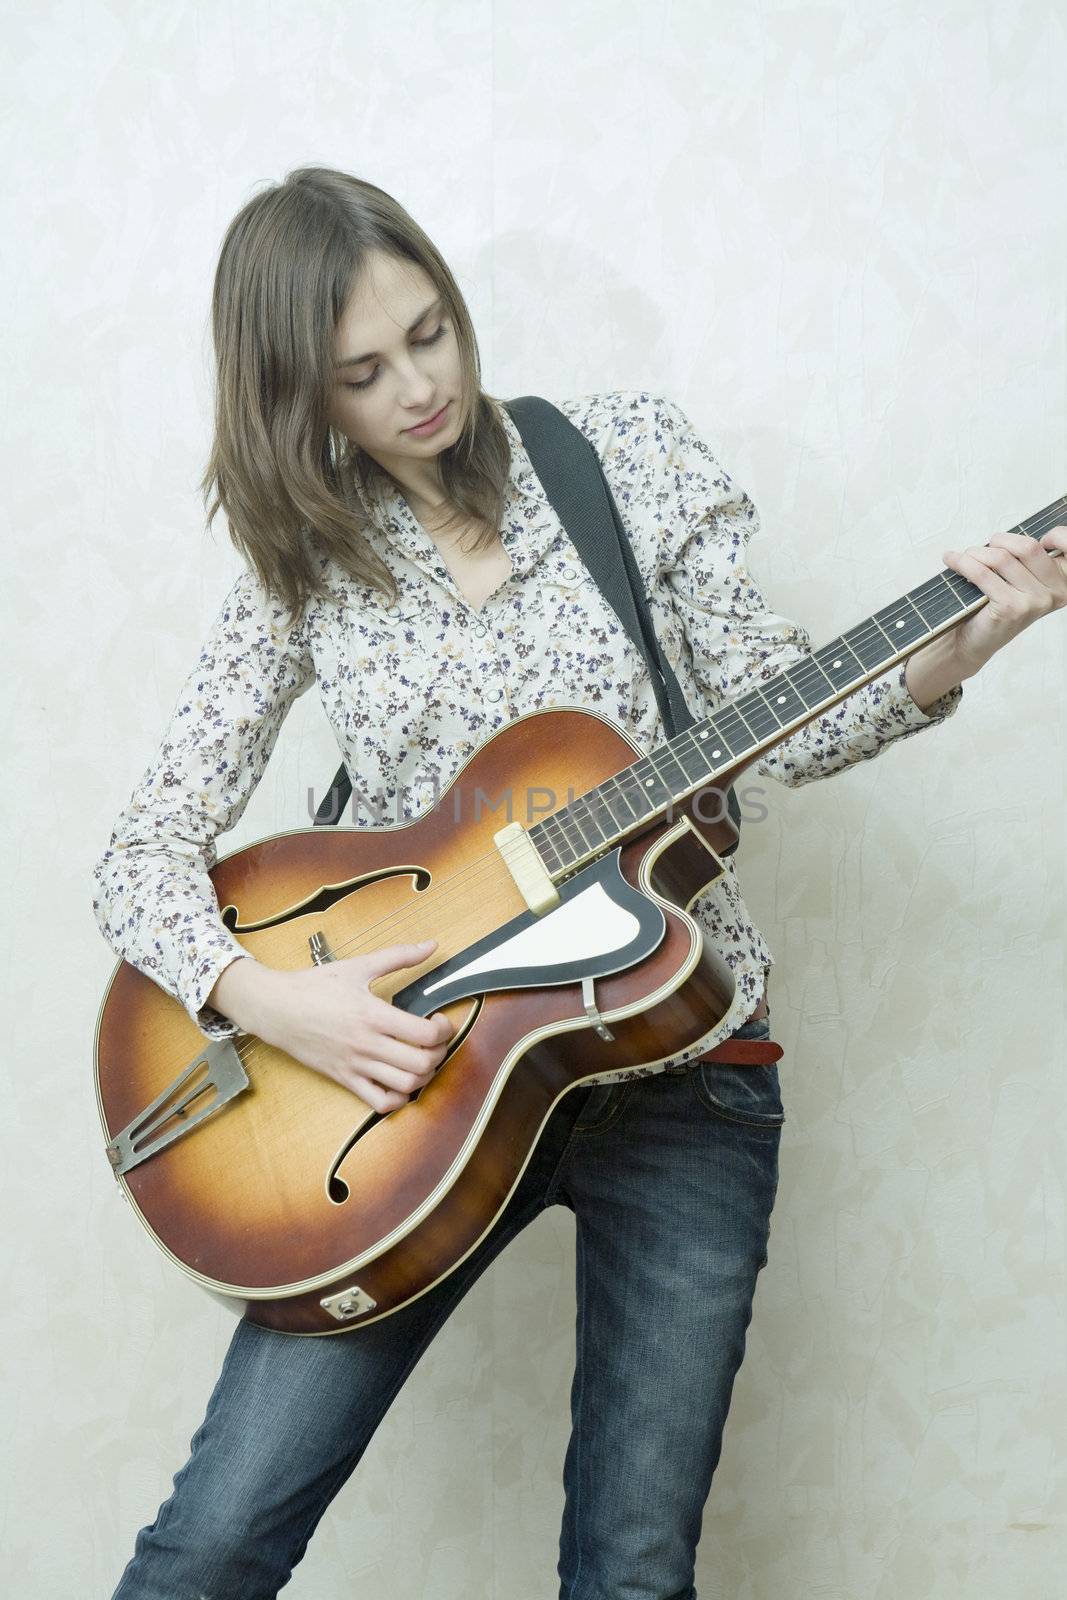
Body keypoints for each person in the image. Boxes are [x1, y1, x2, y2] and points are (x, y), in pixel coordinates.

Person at [91, 165, 1066, 1600]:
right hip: (409, 1098)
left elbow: (776, 708)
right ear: (299, 397)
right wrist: (272, 1004)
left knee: (628, 1573)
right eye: (362, 373)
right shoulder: (299, 566)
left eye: (430, 332)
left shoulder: (621, 456)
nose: (419, 388)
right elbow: (135, 857)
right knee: (217, 1538)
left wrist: (959, 646)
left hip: (687, 1079)